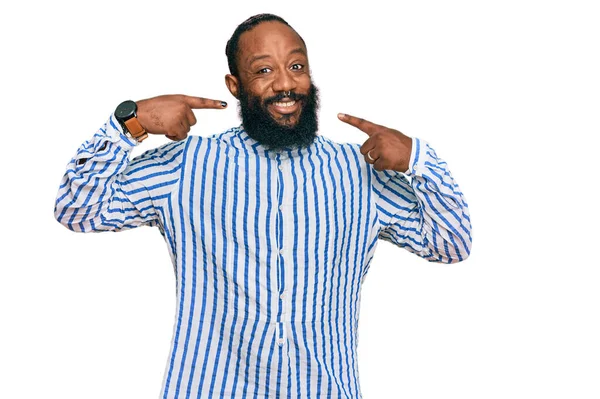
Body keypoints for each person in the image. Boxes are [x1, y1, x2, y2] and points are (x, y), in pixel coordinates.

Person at [54, 13, 472, 399]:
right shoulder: (188, 165)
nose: (285, 84)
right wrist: (131, 124)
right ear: (235, 85)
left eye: (296, 66)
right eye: (264, 71)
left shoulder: (358, 171)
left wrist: (419, 159)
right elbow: (77, 209)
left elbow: (452, 244)